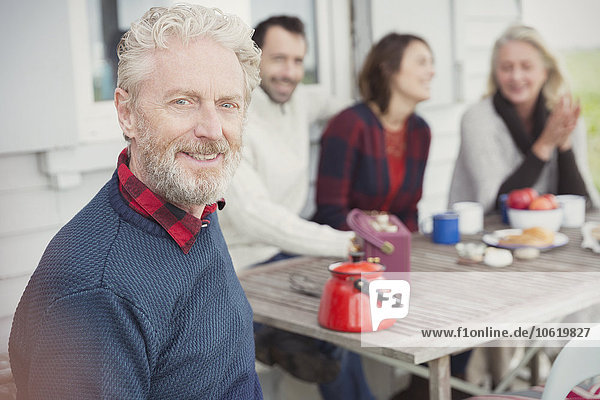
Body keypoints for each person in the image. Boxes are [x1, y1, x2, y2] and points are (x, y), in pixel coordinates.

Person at [9, 5, 263, 399]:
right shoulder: (96, 292)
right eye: (183, 101)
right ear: (127, 114)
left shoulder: (194, 209)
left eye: (227, 104)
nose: (212, 130)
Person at [218, 15, 354, 271]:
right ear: (252, 59)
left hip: (288, 249)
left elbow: (345, 110)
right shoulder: (229, 119)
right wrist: (345, 243)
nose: (289, 73)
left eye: (298, 61)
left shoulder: (298, 101)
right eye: (279, 59)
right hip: (243, 262)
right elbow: (253, 215)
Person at [449, 24, 600, 213]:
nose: (516, 76)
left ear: (545, 72)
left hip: (550, 235)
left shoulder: (562, 117)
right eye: (506, 68)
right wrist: (544, 145)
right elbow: (497, 203)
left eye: (526, 67)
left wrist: (564, 146)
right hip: (480, 235)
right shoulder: (477, 120)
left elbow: (580, 204)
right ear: (496, 73)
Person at [313, 33, 434, 233]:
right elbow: (332, 213)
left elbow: (409, 212)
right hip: (344, 250)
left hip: (391, 249)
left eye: (431, 63)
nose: (432, 72)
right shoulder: (350, 125)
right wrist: (377, 243)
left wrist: (408, 250)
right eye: (422, 62)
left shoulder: (420, 131)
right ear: (388, 69)